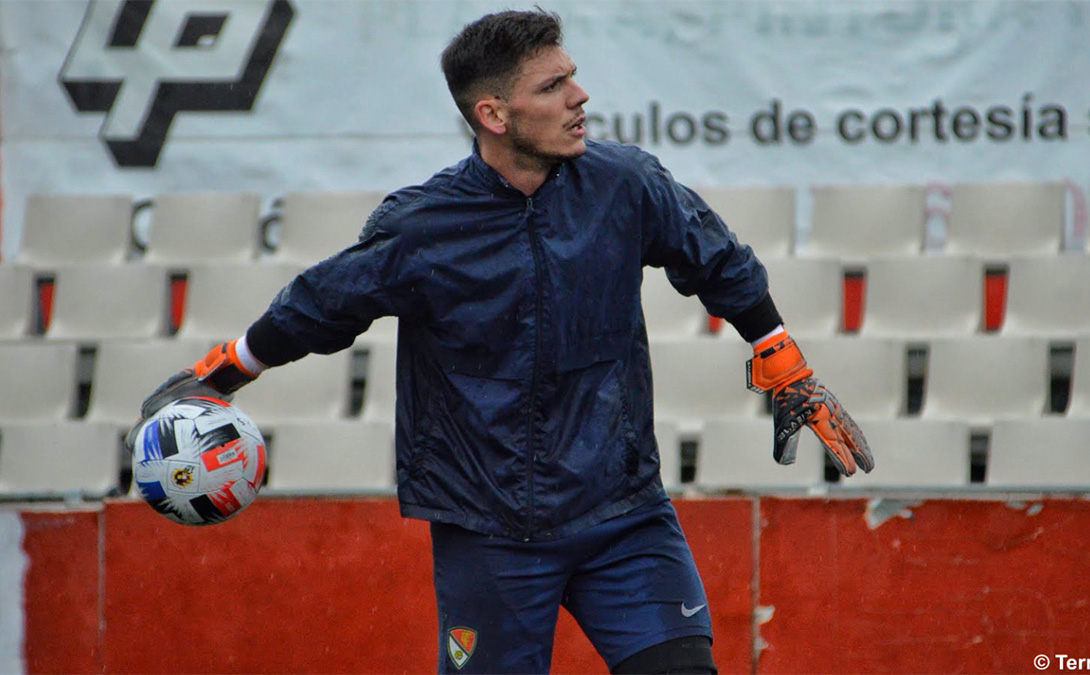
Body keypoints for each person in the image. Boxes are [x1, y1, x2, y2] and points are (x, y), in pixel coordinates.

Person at [134, 9, 873, 674]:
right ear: (493, 113)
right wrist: (218, 375)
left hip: (623, 513)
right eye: (553, 87)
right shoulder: (422, 227)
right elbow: (317, 306)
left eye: (573, 79)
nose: (579, 98)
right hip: (487, 533)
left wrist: (784, 360)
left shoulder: (627, 184)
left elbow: (717, 260)